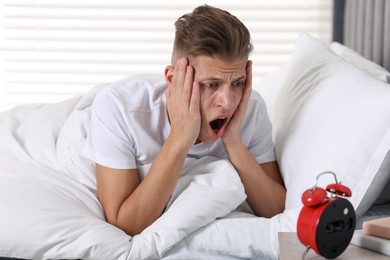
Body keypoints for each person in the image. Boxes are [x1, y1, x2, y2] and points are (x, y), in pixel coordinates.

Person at [84, 4, 286, 237]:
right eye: (211, 85)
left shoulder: (250, 108)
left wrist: (234, 142)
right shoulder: (119, 106)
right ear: (173, 78)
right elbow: (126, 226)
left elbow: (277, 210)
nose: (228, 102)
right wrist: (180, 137)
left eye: (238, 83)